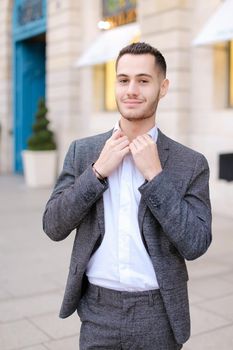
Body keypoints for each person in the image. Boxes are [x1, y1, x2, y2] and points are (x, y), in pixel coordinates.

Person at [43, 42, 212, 350]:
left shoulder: (191, 162)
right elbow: (53, 226)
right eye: (123, 80)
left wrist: (156, 178)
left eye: (143, 80)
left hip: (158, 312)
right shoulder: (83, 152)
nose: (131, 89)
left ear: (163, 88)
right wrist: (96, 173)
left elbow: (196, 243)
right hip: (96, 309)